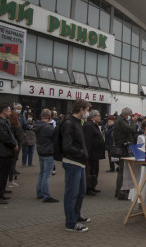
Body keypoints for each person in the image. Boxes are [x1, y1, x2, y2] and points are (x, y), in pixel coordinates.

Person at [61, 99, 91, 232]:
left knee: (80, 192)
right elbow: (67, 146)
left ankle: (76, 215)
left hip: (80, 162)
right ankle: (70, 222)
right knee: (72, 193)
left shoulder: (79, 122)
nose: (87, 112)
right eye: (87, 109)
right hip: (73, 162)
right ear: (81, 109)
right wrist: (81, 153)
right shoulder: (69, 123)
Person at [0, 103, 18, 204]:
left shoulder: (4, 121)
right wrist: (13, 144)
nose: (10, 112)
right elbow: (4, 137)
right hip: (2, 151)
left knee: (4, 174)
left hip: (6, 151)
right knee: (1, 174)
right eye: (9, 110)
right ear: (4, 111)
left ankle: (1, 193)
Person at [33, 109, 58, 203]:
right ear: (49, 116)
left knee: (42, 173)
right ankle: (46, 195)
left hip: (40, 150)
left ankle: (39, 192)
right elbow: (55, 137)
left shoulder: (37, 125)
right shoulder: (48, 127)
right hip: (48, 151)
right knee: (46, 175)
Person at [113, 107, 137, 199]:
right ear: (126, 115)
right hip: (123, 148)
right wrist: (133, 122)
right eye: (130, 116)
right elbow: (132, 129)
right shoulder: (121, 121)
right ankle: (120, 192)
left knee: (122, 170)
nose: (131, 117)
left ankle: (120, 191)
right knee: (122, 170)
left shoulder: (120, 120)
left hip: (123, 147)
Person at [83, 110, 106, 196]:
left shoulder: (94, 125)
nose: (99, 117)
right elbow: (88, 141)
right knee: (91, 171)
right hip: (92, 154)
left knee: (95, 171)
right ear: (93, 117)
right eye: (98, 116)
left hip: (96, 153)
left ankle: (92, 186)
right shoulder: (89, 126)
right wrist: (87, 155)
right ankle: (88, 188)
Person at [8, 110, 21, 188]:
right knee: (12, 163)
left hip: (8, 147)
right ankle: (10, 180)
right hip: (14, 147)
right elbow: (19, 138)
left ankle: (9, 179)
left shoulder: (7, 125)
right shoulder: (16, 127)